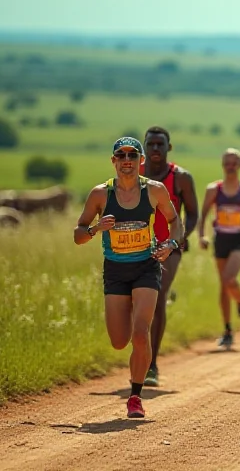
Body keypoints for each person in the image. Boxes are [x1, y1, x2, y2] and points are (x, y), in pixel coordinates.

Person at [73, 137, 183, 418]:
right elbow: (78, 235)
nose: (126, 160)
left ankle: (135, 396)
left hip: (146, 267)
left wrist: (170, 245)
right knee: (119, 341)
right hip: (116, 270)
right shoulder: (100, 194)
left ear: (140, 160)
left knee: (140, 333)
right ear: (113, 161)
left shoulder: (155, 190)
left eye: (132, 155)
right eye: (120, 155)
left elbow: (175, 222)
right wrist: (97, 228)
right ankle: (132, 306)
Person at [140, 126, 198, 388]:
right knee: (135, 300)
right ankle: (139, 355)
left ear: (168, 148)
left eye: (159, 144)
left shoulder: (181, 178)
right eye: (150, 144)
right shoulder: (133, 175)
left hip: (170, 246)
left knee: (158, 294)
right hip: (135, 247)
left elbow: (193, 214)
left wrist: (180, 238)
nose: (154, 149)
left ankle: (152, 365)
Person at [198, 148, 240, 350]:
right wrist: (202, 235)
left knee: (229, 278)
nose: (231, 166)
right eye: (227, 162)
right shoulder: (214, 189)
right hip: (221, 239)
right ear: (222, 164)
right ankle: (228, 330)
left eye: (234, 162)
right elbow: (203, 215)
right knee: (223, 285)